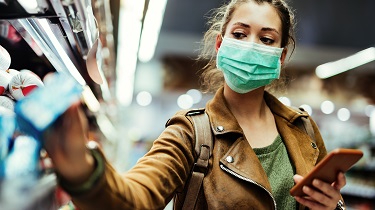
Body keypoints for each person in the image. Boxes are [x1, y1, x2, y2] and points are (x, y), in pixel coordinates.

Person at [43, 0, 347, 209]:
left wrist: (333, 205)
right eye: (240, 34)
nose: (251, 46)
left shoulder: (303, 128)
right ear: (220, 44)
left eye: (267, 40)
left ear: (280, 58)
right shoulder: (191, 132)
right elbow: (138, 196)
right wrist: (84, 172)